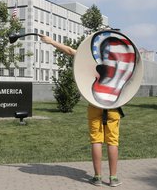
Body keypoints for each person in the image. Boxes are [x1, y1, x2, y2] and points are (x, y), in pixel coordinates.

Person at [40, 35, 122, 187]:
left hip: (94, 102)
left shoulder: (91, 59)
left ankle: (97, 177)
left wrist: (51, 42)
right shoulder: (119, 63)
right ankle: (113, 178)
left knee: (96, 140)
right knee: (112, 142)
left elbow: (71, 51)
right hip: (113, 105)